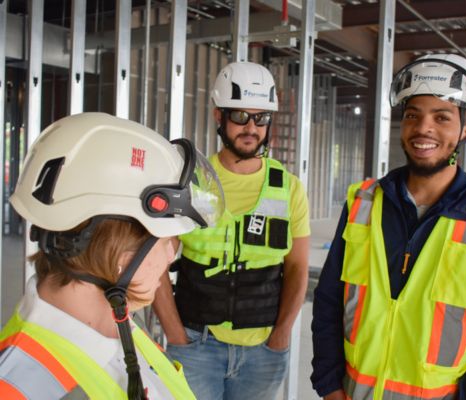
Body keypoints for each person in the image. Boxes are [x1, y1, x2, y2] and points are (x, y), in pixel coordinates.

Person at [0, 113, 225, 400]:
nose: (172, 255)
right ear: (114, 248)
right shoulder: (18, 387)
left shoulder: (121, 321)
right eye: (167, 239)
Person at [311, 54, 466, 400]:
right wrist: (329, 383)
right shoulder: (364, 202)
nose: (424, 129)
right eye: (413, 115)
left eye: (442, 117)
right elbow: (330, 301)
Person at [152, 61, 311, 400]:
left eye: (261, 117)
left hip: (263, 353)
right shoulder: (191, 182)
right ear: (219, 116)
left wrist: (280, 337)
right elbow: (154, 264)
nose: (250, 127)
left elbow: (297, 269)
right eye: (240, 116)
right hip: (196, 345)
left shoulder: (290, 189)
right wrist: (176, 336)